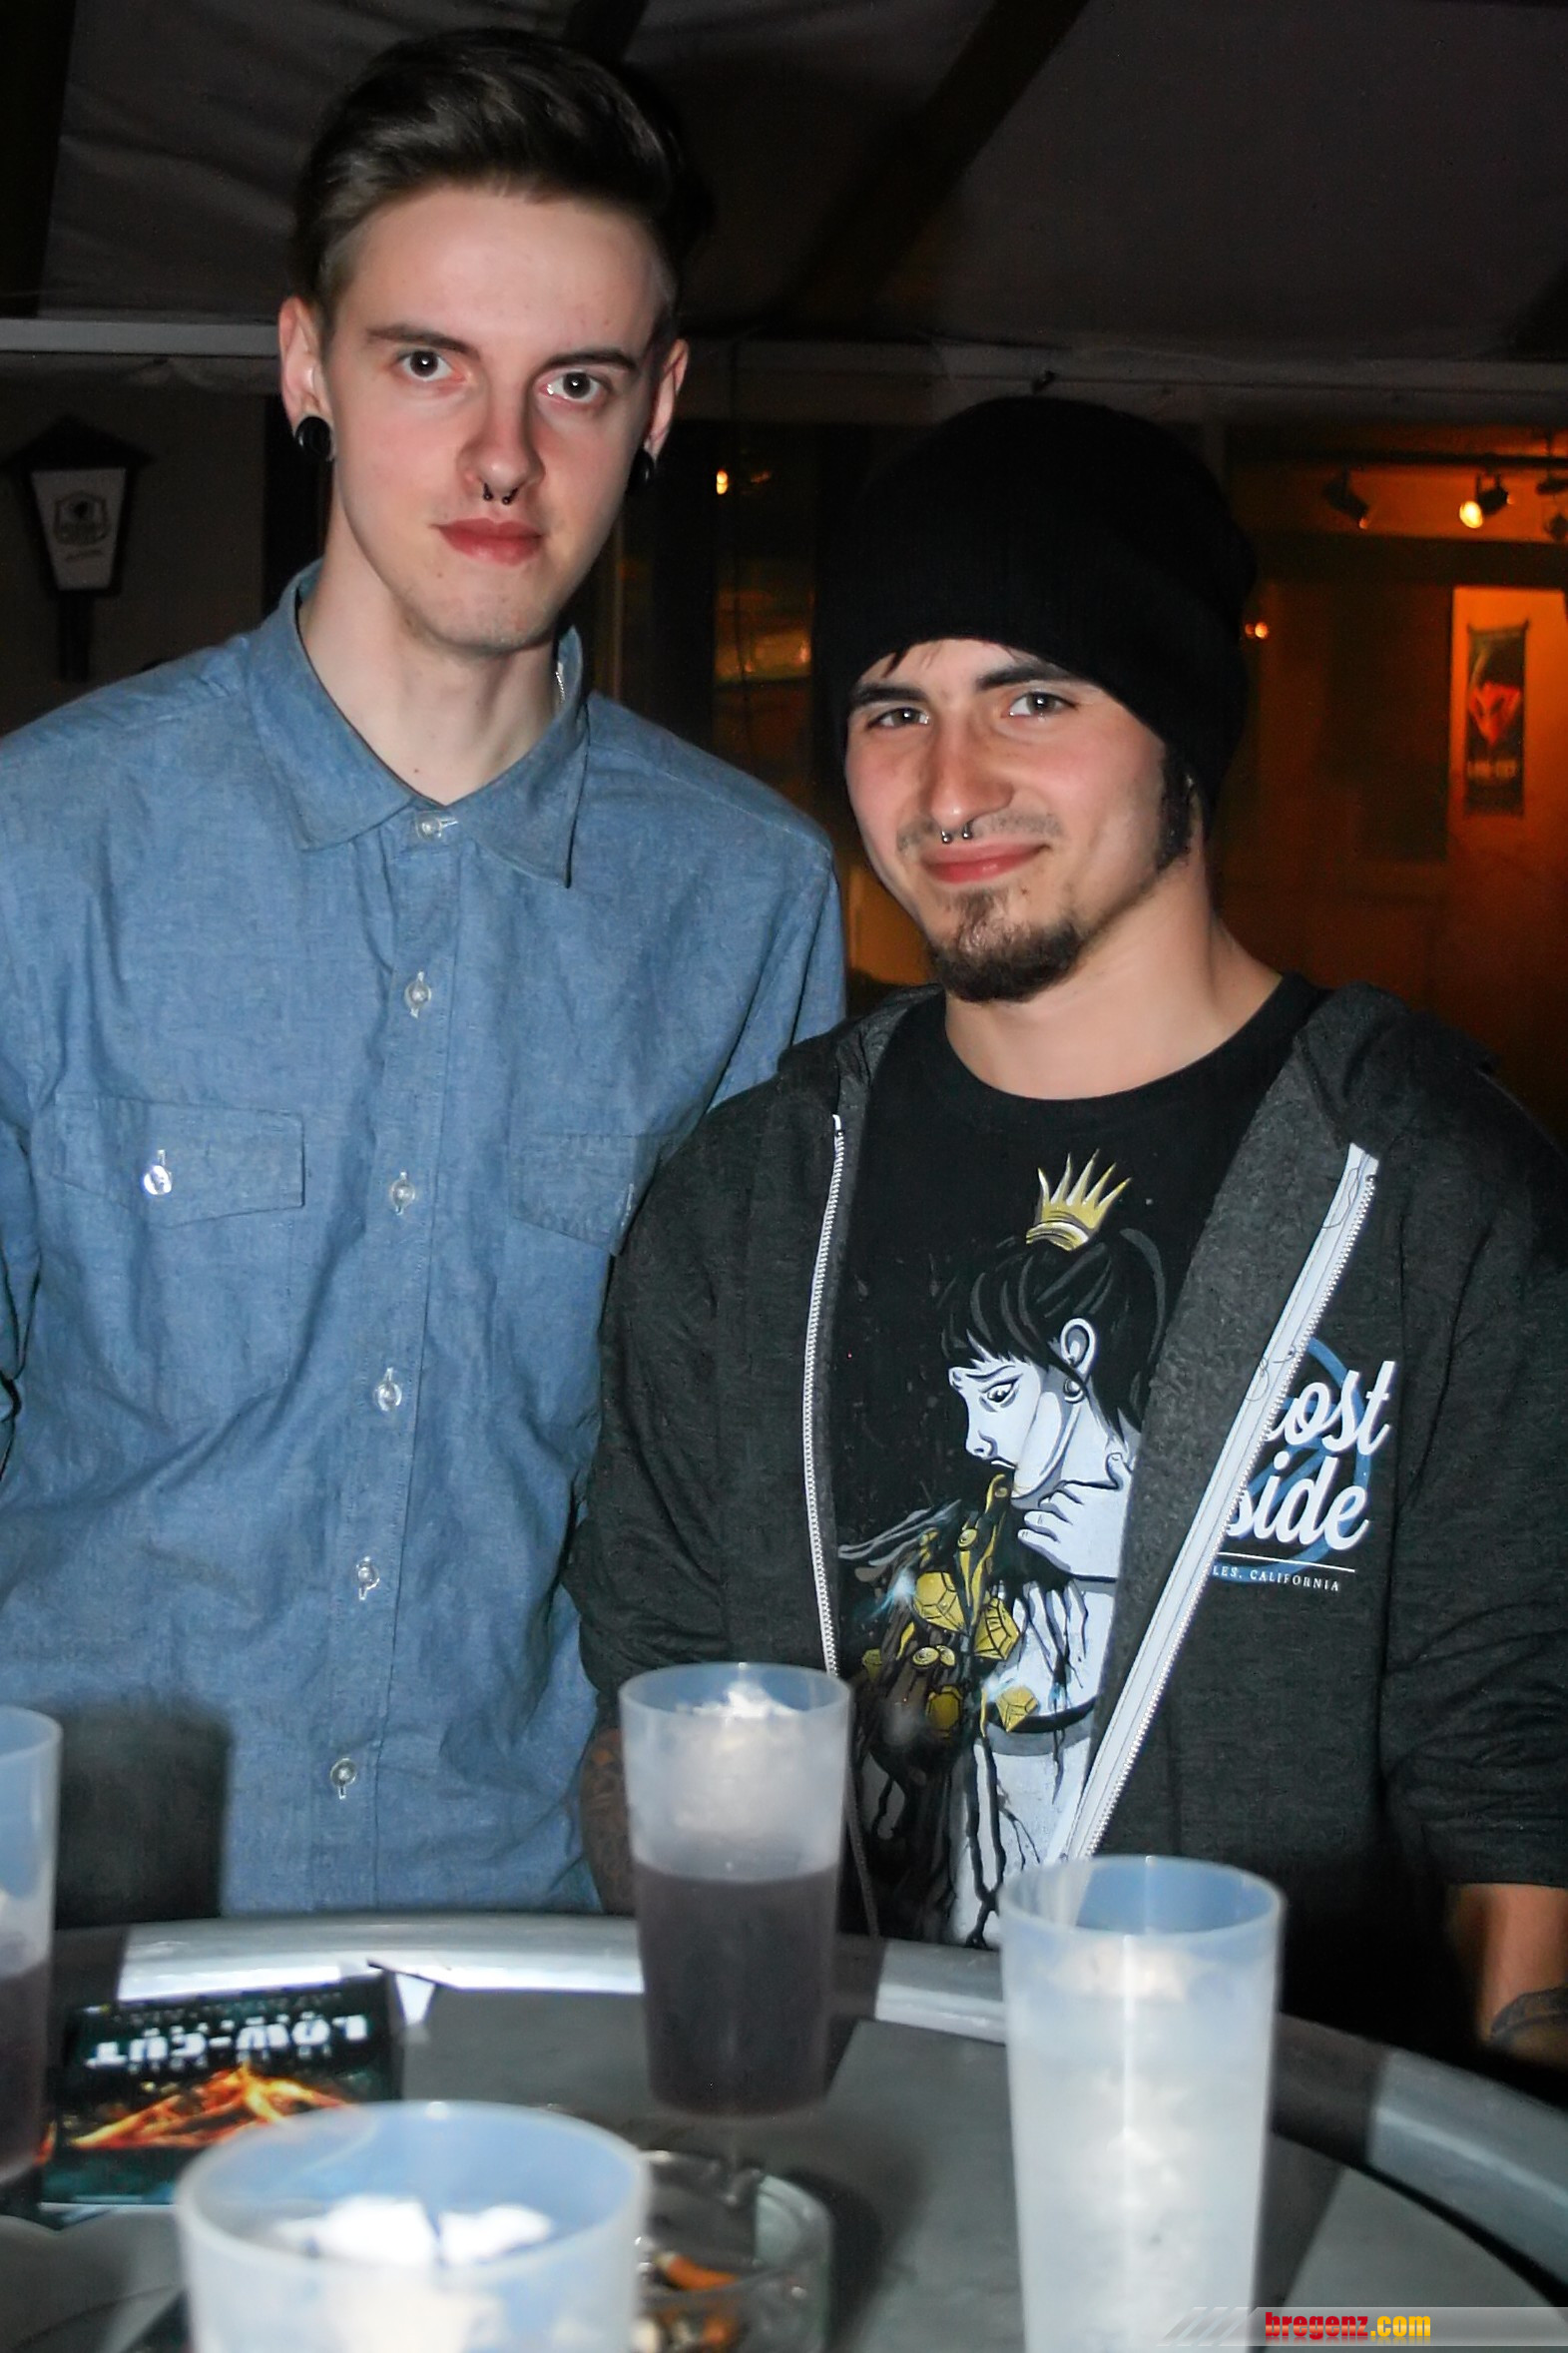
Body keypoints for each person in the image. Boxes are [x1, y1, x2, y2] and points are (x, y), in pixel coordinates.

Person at [568, 396, 1568, 2064]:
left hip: (1261, 2164)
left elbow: (1518, 1788)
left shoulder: (1430, 1199)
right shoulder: (746, 1202)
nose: (952, 785)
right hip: (850, 2132)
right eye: (895, 708)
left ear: (1183, 725)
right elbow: (654, 1688)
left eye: (1035, 696)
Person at [0, 29, 842, 1916]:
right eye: (427, 362)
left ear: (661, 403)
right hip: (95, 1943)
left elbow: (732, 1505)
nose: (502, 456)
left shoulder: (749, 902)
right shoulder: (39, 846)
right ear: (305, 364)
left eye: (576, 383)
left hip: (529, 1948)